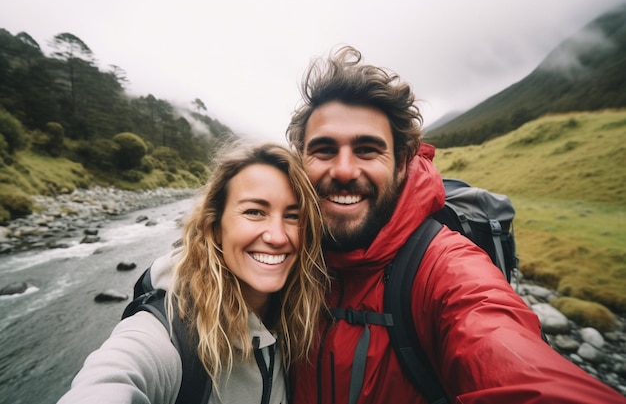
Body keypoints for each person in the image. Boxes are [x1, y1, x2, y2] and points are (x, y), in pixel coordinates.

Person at [285, 46, 626, 404]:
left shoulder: (445, 267)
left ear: (402, 163)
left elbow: (509, 356)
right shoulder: (282, 253)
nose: (342, 170)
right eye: (323, 149)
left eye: (368, 149)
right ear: (299, 161)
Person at [57, 142, 329, 404]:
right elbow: (112, 380)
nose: (278, 236)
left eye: (293, 216)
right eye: (255, 211)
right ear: (214, 228)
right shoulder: (170, 331)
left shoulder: (295, 320)